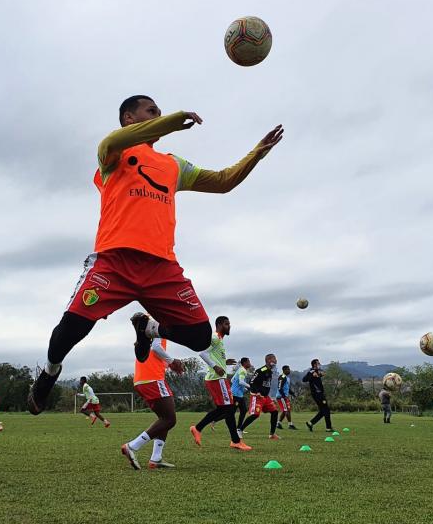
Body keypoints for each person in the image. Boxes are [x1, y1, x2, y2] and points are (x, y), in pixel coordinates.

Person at [26, 95, 284, 415]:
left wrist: (257, 153)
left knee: (200, 336)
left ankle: (149, 329)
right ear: (129, 118)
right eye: (151, 112)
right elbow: (110, 141)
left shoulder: (173, 165)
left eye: (160, 113)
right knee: (70, 329)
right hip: (115, 261)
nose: (158, 116)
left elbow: (222, 181)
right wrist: (173, 121)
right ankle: (49, 373)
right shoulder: (114, 153)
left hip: (162, 267)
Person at [122, 337, 186, 469]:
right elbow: (156, 347)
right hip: (153, 378)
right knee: (169, 420)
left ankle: (156, 458)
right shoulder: (159, 325)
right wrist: (172, 361)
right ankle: (132, 446)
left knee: (163, 419)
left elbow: (151, 352)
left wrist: (169, 364)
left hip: (142, 379)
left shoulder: (145, 328)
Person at [188, 317, 251, 451]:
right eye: (227, 324)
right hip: (217, 379)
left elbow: (211, 355)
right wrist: (215, 366)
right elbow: (202, 353)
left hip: (217, 378)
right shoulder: (215, 338)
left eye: (229, 324)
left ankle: (234, 440)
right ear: (219, 325)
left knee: (227, 409)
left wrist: (223, 362)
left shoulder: (220, 340)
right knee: (228, 409)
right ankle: (200, 428)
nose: (229, 326)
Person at [240, 353, 281, 440]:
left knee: (275, 412)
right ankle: (240, 430)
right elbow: (252, 382)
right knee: (255, 415)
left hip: (265, 397)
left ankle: (272, 434)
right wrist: (257, 392)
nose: (276, 361)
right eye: (274, 359)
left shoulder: (270, 371)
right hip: (257, 396)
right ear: (269, 360)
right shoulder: (261, 370)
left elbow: (265, 384)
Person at [303, 359, 334, 432]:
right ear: (314, 364)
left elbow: (318, 376)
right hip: (318, 394)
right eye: (318, 363)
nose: (319, 364)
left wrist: (319, 374)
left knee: (323, 411)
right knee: (326, 410)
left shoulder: (317, 371)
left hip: (319, 394)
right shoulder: (312, 371)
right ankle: (328, 428)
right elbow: (304, 379)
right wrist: (312, 375)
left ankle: (311, 423)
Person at [231, 357, 253, 435]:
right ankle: (214, 420)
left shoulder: (240, 370)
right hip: (236, 394)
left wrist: (243, 388)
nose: (250, 363)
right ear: (244, 363)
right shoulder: (243, 370)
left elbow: (232, 380)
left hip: (238, 394)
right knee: (231, 412)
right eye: (249, 362)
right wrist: (250, 386)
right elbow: (241, 382)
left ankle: (239, 428)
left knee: (243, 410)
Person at [276, 365, 297, 430]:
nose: (289, 370)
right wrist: (283, 396)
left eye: (289, 369)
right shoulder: (282, 377)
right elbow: (279, 388)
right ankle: (290, 425)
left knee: (286, 410)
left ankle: (279, 424)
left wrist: (292, 393)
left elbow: (287, 388)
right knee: (286, 410)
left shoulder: (287, 378)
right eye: (288, 369)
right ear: (284, 370)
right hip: (281, 397)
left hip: (285, 397)